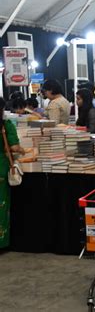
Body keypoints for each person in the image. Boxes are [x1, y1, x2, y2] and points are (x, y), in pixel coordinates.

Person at [0, 97, 25, 248]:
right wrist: (25, 150)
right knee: (1, 204)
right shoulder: (5, 125)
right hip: (1, 166)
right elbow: (14, 147)